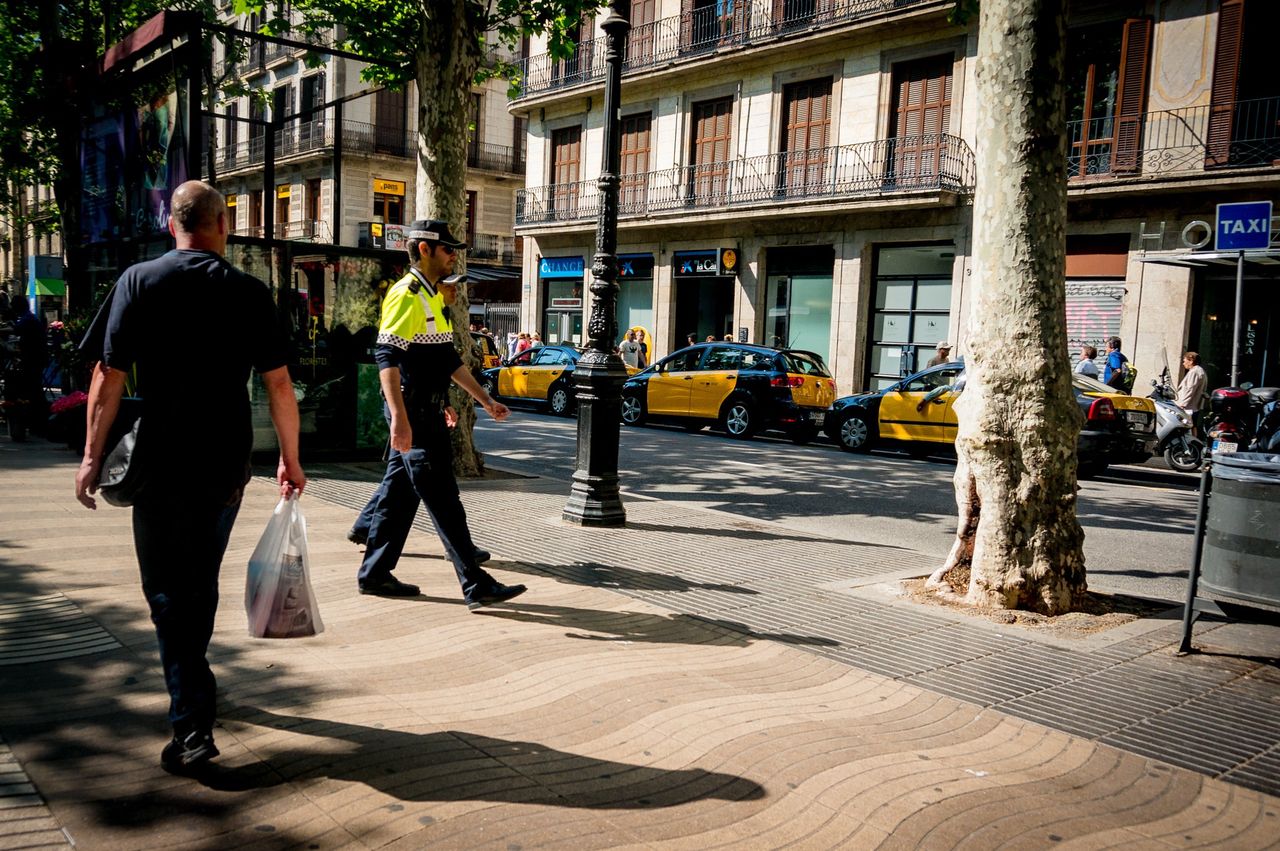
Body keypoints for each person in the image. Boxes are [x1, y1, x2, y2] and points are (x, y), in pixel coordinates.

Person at [73, 181, 305, 774]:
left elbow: (108, 376)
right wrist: (289, 458)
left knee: (168, 595)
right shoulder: (249, 292)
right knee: (197, 584)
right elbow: (279, 384)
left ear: (170, 223)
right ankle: (193, 702)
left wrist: (91, 459)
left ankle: (193, 728)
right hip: (225, 465)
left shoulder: (139, 281)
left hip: (157, 464)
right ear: (221, 225)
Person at [356, 219, 525, 610]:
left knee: (398, 498)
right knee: (443, 498)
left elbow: (445, 360)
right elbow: (387, 357)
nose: (453, 256)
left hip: (424, 408)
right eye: (448, 249)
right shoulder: (407, 294)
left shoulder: (433, 296)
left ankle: (374, 574)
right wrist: (398, 417)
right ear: (424, 249)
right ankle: (475, 582)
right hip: (413, 412)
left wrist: (484, 400)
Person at [1176, 351, 1208, 415]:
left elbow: (1190, 389)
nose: (1183, 363)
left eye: (1184, 361)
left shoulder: (1194, 371)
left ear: (1191, 361)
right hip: (1192, 407)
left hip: (1188, 408)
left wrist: (1183, 404)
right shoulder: (1199, 370)